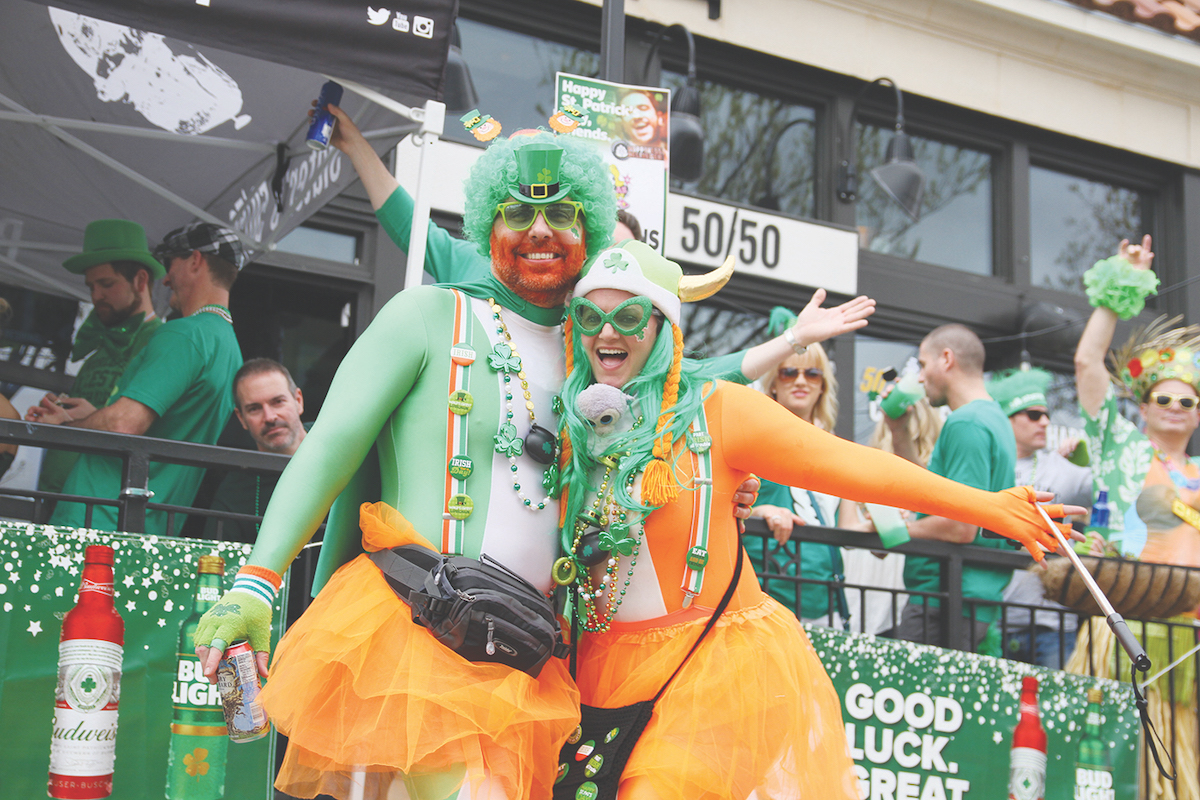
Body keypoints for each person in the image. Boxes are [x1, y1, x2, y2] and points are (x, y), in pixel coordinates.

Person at [556, 241, 1077, 799]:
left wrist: (991, 507)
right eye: (589, 316)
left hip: (704, 672)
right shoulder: (571, 423)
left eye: (628, 316)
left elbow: (854, 467)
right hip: (595, 664)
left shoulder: (718, 409)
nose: (606, 333)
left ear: (663, 327)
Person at [1068, 236, 1200, 800]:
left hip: (1188, 633)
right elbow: (1086, 363)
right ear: (1143, 406)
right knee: (1114, 758)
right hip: (1124, 624)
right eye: (1163, 400)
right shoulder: (1122, 447)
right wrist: (1120, 288)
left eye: (1186, 402)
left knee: (1179, 763)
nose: (1175, 409)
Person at [26, 222, 245, 534]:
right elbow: (168, 428)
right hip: (149, 528)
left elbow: (124, 424)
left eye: (170, 264)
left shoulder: (185, 334)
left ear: (195, 260)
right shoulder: (229, 347)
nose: (165, 279)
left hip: (99, 520)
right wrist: (93, 415)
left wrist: (63, 427)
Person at [885, 324, 1018, 652]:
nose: (920, 377)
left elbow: (960, 526)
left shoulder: (966, 423)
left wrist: (892, 531)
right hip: (959, 598)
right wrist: (899, 432)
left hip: (945, 598)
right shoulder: (991, 418)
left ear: (946, 359)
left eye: (922, 364)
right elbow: (930, 495)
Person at [36, 219, 165, 495]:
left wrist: (89, 417)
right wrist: (57, 412)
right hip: (57, 497)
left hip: (101, 503)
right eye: (91, 286)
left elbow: (150, 430)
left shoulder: (162, 343)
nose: (96, 296)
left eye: (106, 284)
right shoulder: (101, 347)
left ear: (141, 280)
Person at [748, 312, 850, 627]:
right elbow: (716, 504)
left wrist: (883, 528)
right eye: (789, 372)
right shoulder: (750, 438)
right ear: (773, 383)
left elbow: (847, 530)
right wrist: (760, 511)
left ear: (823, 386)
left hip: (823, 603)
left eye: (813, 374)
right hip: (762, 597)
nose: (801, 381)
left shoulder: (838, 451)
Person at [988, 367, 1091, 668]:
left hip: (1053, 623)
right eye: (1033, 415)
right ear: (1007, 420)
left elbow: (1113, 490)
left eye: (1046, 414)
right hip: (994, 619)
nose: (1044, 422)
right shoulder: (988, 466)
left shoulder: (1060, 467)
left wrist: (1090, 458)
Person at [202, 359, 308, 543]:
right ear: (241, 418)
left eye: (278, 402)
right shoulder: (234, 494)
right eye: (254, 409)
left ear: (298, 401)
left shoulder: (341, 444)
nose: (270, 417)